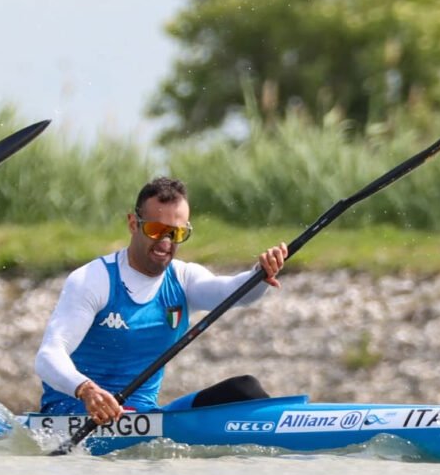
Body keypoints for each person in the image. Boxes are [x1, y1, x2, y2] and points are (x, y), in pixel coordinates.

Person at [35, 176, 287, 424]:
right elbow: (49, 355)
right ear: (133, 224)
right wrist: (86, 390)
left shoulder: (183, 279)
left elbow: (233, 292)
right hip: (73, 417)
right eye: (156, 230)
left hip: (144, 417)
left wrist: (260, 273)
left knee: (244, 390)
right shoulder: (93, 279)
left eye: (176, 233)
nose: (165, 242)